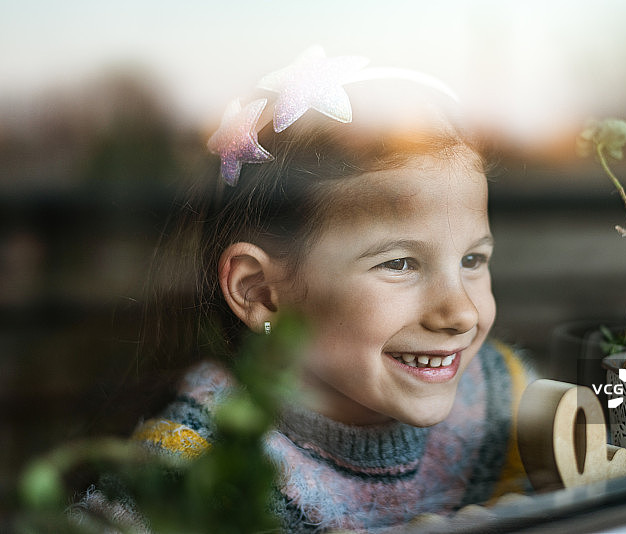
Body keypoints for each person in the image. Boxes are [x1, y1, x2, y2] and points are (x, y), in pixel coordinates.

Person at [80, 46, 537, 532]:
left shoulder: (500, 391)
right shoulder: (198, 472)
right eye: (400, 263)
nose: (461, 313)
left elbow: (601, 477)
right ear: (260, 293)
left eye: (473, 260)